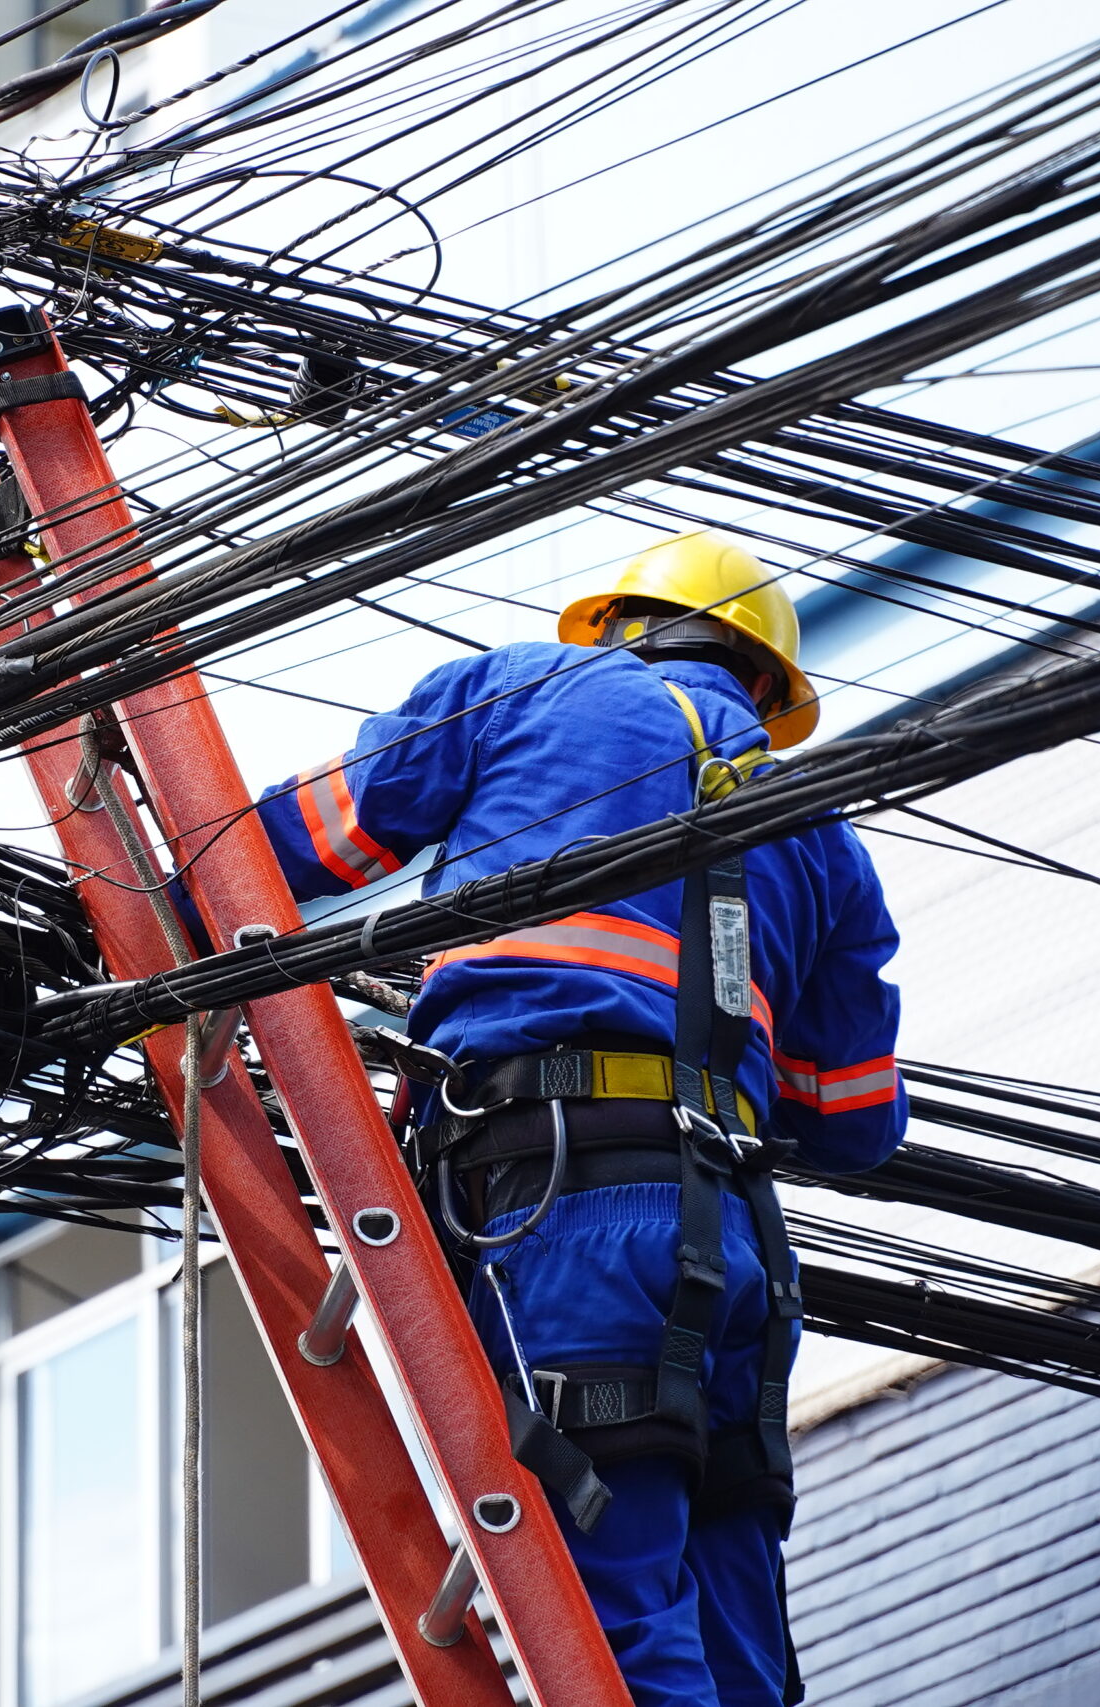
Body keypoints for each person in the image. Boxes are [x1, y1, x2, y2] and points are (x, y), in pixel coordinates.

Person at [250, 531, 908, 1706]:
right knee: (735, 1636)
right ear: (766, 686)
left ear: (612, 622)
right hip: (743, 1260)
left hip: (557, 1204)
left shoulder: (519, 688)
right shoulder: (826, 836)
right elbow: (853, 1120)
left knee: (612, 1618)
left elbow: (286, 852)